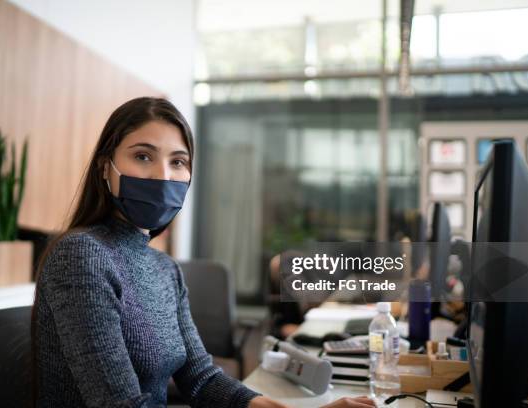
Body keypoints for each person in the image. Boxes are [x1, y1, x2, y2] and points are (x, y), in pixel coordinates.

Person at [31, 97, 376, 408]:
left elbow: (200, 378)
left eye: (178, 162)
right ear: (105, 168)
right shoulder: (81, 256)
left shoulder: (165, 269)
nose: (162, 175)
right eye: (142, 156)